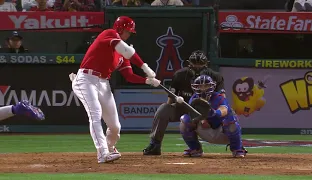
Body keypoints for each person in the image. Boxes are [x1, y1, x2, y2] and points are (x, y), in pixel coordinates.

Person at [69, 16, 161, 164]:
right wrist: (145, 67)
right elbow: (128, 51)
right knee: (95, 114)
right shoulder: (109, 33)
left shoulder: (122, 54)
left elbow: (129, 76)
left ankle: (110, 147)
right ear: (120, 28)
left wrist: (147, 81)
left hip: (103, 83)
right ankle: (103, 153)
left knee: (115, 126)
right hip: (86, 79)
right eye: (127, 31)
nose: (128, 34)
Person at [143, 50, 225, 155]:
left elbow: (222, 100)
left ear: (206, 65)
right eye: (195, 64)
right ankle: (155, 144)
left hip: (206, 112)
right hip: (184, 109)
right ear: (189, 64)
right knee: (164, 109)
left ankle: (236, 145)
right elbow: (170, 100)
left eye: (200, 64)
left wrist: (210, 115)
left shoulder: (216, 77)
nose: (197, 67)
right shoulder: (180, 75)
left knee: (227, 113)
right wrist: (167, 111)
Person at [179, 75, 247, 158]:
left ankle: (237, 149)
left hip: (222, 132)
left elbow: (224, 111)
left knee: (231, 120)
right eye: (200, 86)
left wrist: (212, 113)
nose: (203, 88)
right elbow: (193, 117)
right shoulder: (194, 99)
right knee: (184, 120)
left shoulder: (219, 98)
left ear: (212, 86)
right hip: (205, 130)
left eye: (206, 85)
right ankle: (195, 149)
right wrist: (200, 120)